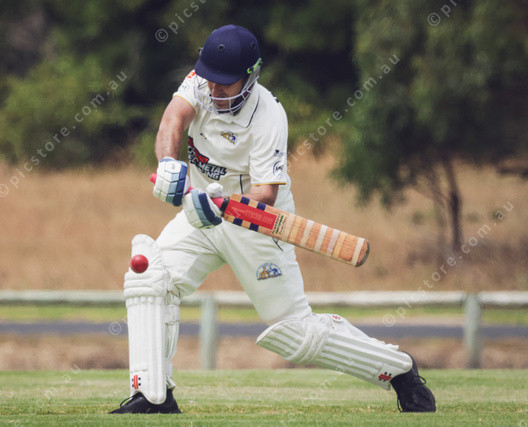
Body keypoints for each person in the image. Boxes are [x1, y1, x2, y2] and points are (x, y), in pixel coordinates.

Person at [110, 24, 436, 414]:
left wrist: (219, 205)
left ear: (250, 77)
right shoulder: (201, 81)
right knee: (151, 279)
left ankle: (398, 369)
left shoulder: (269, 116)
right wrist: (167, 162)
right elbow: (172, 120)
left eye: (225, 84)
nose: (214, 91)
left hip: (255, 224)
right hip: (199, 215)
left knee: (294, 333)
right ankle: (153, 396)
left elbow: (265, 193)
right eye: (210, 81)